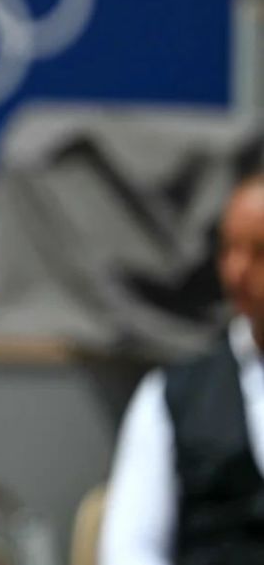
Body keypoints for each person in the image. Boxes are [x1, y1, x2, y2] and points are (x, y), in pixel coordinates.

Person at [100, 173, 264, 564]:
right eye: (228, 249)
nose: (237, 271)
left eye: (260, 252)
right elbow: (131, 547)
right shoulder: (173, 393)